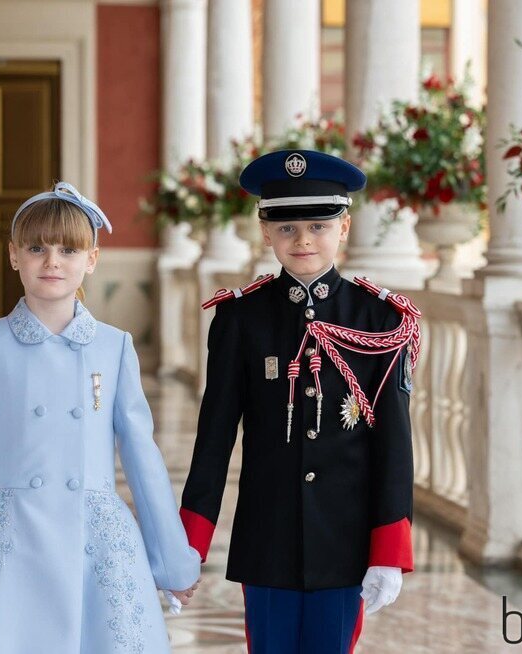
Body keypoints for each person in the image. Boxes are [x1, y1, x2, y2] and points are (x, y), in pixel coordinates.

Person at [0, 182, 200, 654]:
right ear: (13, 256)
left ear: (92, 259)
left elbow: (143, 458)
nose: (52, 261)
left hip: (94, 542)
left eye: (68, 249)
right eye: (37, 248)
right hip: (7, 543)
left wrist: (173, 563)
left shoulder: (113, 345)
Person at [179, 150, 421, 653]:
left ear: (344, 227)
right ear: (266, 232)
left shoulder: (378, 318)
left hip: (346, 542)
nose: (303, 239)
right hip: (267, 539)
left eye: (318, 224)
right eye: (287, 228)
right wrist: (190, 541)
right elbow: (215, 436)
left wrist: (388, 549)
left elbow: (394, 445)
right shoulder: (241, 319)